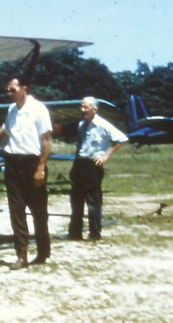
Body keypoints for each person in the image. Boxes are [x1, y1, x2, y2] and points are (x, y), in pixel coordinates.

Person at [0, 76, 52, 270]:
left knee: (39, 212)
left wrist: (40, 168)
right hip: (13, 163)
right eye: (8, 90)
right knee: (17, 212)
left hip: (33, 163)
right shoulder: (12, 110)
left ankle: (43, 250)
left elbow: (47, 141)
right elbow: (5, 131)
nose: (10, 94)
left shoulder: (39, 109)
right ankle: (21, 255)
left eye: (13, 90)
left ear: (24, 88)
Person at [68, 96, 128, 241]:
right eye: (81, 107)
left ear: (94, 110)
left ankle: (94, 234)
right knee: (76, 200)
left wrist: (106, 155)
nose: (82, 110)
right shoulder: (82, 124)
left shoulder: (103, 124)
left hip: (92, 165)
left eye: (85, 107)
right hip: (80, 163)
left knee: (93, 201)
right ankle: (75, 233)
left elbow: (121, 139)